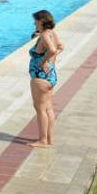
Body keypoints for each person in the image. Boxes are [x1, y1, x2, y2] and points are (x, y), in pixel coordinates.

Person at [28, 10, 63, 148]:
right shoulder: (52, 33)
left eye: (35, 21)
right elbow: (60, 47)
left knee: (40, 108)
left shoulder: (44, 35)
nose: (34, 23)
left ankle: (43, 140)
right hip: (50, 76)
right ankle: (49, 139)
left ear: (41, 21)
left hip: (40, 77)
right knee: (48, 108)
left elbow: (53, 50)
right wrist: (50, 62)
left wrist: (43, 62)